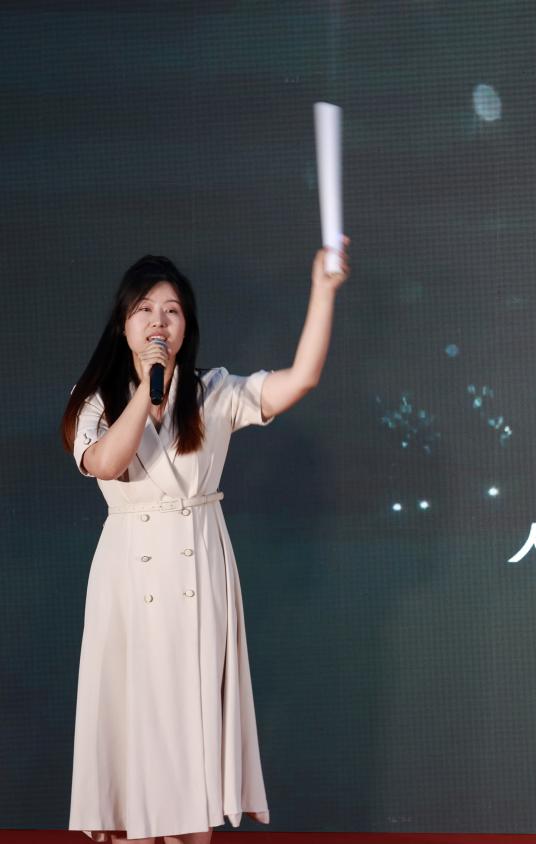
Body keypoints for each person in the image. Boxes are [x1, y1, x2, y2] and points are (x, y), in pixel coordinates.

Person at [59, 242, 349, 844]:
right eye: (145, 309)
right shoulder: (93, 400)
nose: (159, 322)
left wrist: (322, 291)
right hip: (129, 581)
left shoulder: (212, 392)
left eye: (172, 311)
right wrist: (146, 392)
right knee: (135, 732)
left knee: (192, 737)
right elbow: (107, 462)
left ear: (186, 326)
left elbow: (301, 378)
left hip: (199, 572)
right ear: (123, 324)